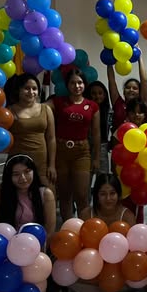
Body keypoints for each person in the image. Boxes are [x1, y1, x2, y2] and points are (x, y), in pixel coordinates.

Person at [69, 174, 139, 292]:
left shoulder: (127, 216)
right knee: (69, 277)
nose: (108, 198)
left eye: (112, 193)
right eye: (103, 194)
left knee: (136, 279)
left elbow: (133, 251)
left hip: (118, 270)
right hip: (92, 267)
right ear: (96, 195)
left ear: (118, 195)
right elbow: (78, 245)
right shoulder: (86, 214)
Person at [46, 69, 100, 221]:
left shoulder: (92, 106)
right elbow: (41, 107)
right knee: (64, 195)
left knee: (82, 195)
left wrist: (96, 158)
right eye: (73, 83)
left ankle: (84, 227)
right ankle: (67, 227)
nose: (77, 86)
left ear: (85, 84)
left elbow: (96, 134)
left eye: (80, 82)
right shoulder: (58, 101)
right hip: (60, 152)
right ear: (67, 85)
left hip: (82, 153)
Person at [0, 154, 56, 237]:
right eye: (16, 174)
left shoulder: (46, 194)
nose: (23, 178)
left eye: (27, 172)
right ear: (9, 176)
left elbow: (49, 231)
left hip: (34, 241)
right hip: (5, 240)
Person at [6, 73, 57, 191]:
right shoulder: (9, 110)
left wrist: (52, 165)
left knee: (47, 196)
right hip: (18, 163)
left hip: (42, 163)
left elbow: (51, 139)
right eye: (26, 88)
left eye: (34, 88)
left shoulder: (46, 109)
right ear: (19, 90)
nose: (31, 92)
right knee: (18, 198)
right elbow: (1, 138)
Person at [107, 53, 147, 131]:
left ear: (139, 91)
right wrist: (109, 59)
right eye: (128, 87)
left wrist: (139, 57)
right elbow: (111, 81)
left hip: (138, 137)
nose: (131, 90)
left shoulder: (142, 103)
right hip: (118, 138)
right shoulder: (118, 103)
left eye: (135, 88)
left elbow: (144, 81)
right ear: (124, 91)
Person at [84, 81, 112, 174]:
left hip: (102, 147)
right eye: (93, 93)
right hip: (86, 147)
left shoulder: (109, 112)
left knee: (103, 177)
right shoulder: (84, 110)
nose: (97, 96)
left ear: (105, 95)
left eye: (100, 93)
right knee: (86, 176)